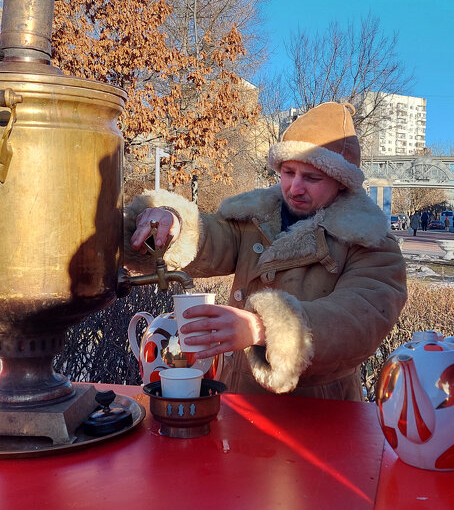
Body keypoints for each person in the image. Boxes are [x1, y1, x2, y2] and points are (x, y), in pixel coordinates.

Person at [125, 102, 407, 401]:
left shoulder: (372, 242)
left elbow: (359, 321)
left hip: (320, 411)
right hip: (238, 400)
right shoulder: (255, 218)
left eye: (312, 178)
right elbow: (213, 237)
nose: (295, 188)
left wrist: (262, 328)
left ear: (341, 182)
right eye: (288, 172)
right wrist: (173, 224)